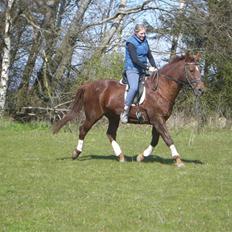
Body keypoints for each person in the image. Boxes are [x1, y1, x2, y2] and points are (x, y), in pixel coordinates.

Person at [120, 24, 157, 124]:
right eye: (141, 33)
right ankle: (125, 111)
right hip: (132, 69)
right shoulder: (130, 43)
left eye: (144, 33)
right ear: (135, 33)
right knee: (134, 88)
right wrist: (148, 68)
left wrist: (155, 67)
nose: (143, 35)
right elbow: (135, 60)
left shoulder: (145, 41)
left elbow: (150, 56)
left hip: (143, 69)